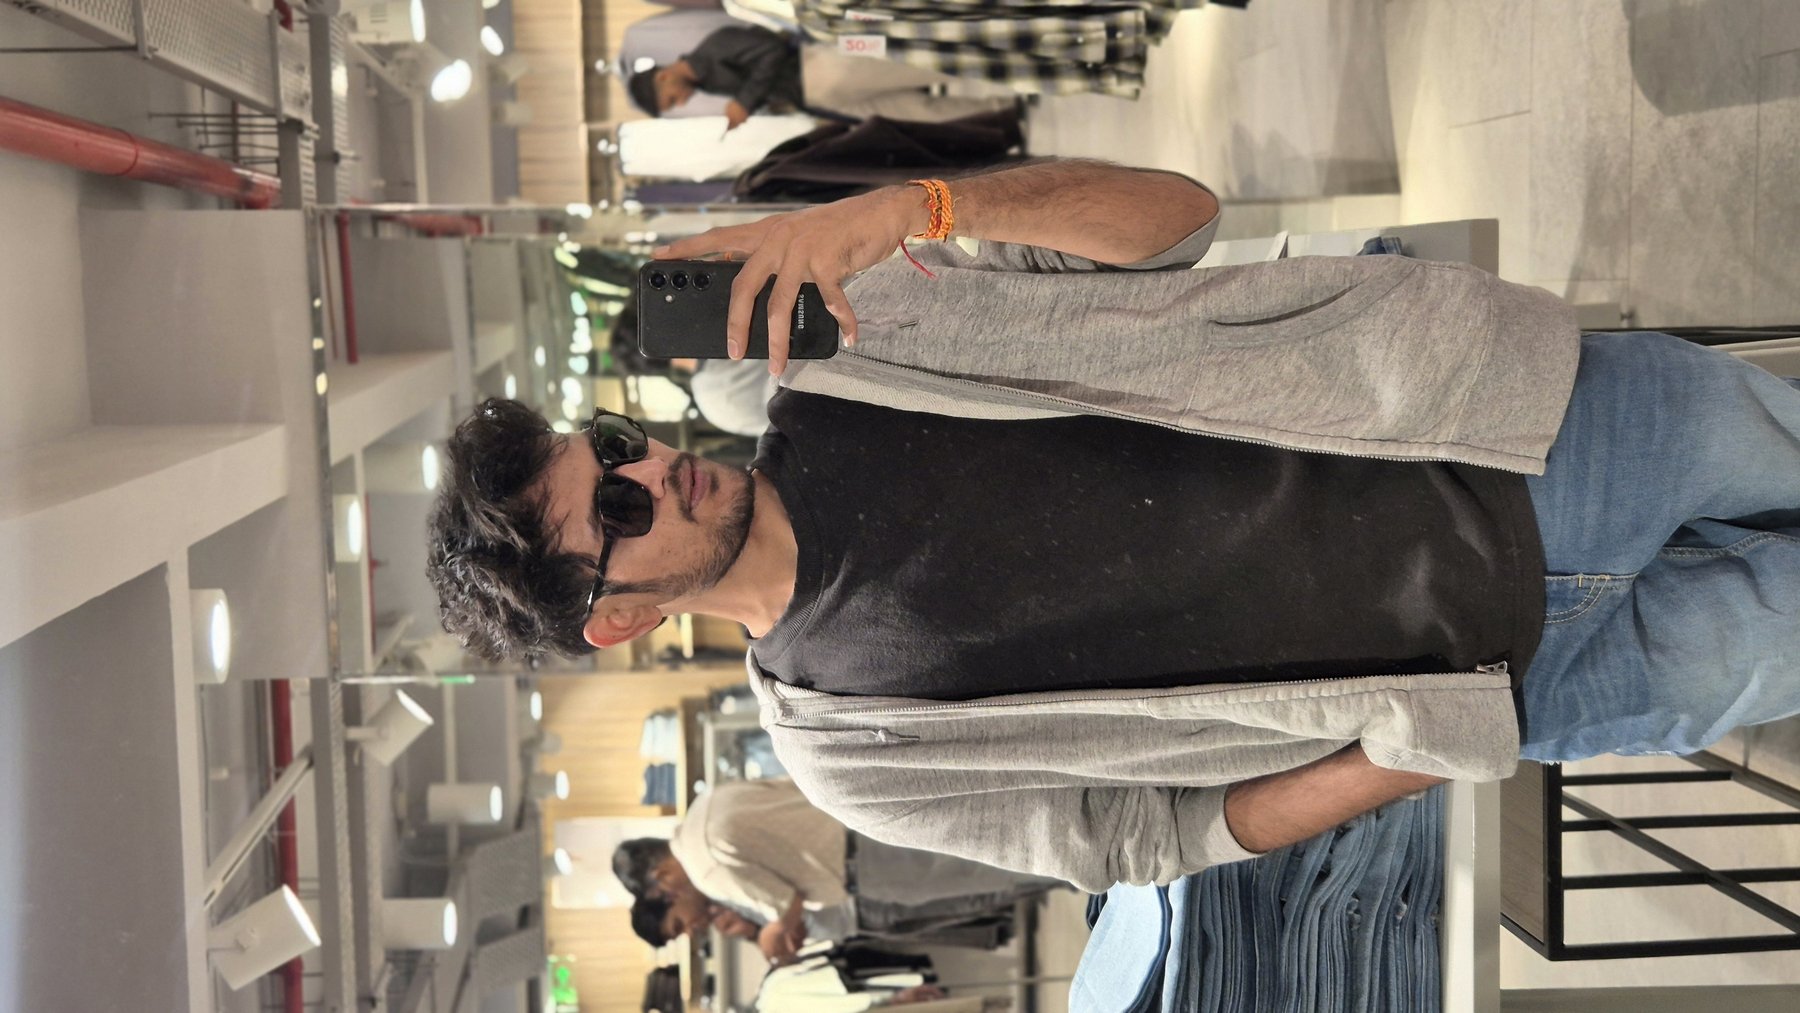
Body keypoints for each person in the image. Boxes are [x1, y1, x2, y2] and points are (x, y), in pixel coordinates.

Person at [427, 158, 1800, 892]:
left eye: (616, 445)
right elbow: (1137, 840)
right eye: (614, 507)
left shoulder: (860, 338)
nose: (656, 470)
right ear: (617, 617)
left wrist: (918, 207)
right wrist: (1398, 757)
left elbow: (1178, 220)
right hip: (1504, 670)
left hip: (1514, 426)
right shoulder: (850, 752)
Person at [612, 778, 1063, 963]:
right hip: (858, 810)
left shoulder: (704, 867)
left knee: (995, 867)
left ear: (662, 880)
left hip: (863, 865)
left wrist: (772, 937)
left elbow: (786, 905)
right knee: (988, 824)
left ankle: (1085, 858)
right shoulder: (708, 803)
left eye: (672, 911)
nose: (686, 916)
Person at [627, 23, 1013, 130]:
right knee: (916, 113)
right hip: (818, 93)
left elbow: (771, 50)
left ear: (663, 77)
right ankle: (1004, 108)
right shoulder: (708, 78)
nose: (682, 101)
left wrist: (744, 101)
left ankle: (1009, 64)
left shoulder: (713, 48)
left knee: (922, 65)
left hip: (824, 67)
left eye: (672, 99)